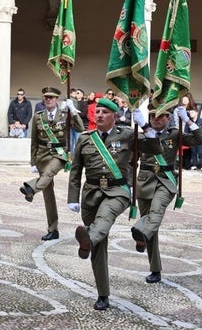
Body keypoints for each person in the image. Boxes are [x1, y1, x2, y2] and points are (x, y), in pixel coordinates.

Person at [67, 98, 161, 311]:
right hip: (90, 194)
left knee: (105, 219)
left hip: (117, 192)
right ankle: (103, 294)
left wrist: (145, 126)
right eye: (97, 111)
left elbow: (155, 149)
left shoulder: (127, 134)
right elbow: (75, 170)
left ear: (115, 116)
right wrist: (72, 198)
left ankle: (87, 237)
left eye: (104, 112)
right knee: (98, 246)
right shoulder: (85, 138)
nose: (99, 115)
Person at [131, 105, 202, 284]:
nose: (156, 119)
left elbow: (201, 139)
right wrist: (130, 185)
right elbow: (131, 161)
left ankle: (140, 231)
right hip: (145, 181)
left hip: (166, 181)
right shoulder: (141, 135)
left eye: (160, 116)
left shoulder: (174, 133)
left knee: (155, 213)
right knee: (152, 227)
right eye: (152, 117)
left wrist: (187, 120)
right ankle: (155, 268)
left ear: (168, 118)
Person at [19, 86, 84, 241]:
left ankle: (31, 188)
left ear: (57, 100)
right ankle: (53, 229)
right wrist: (33, 162)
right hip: (42, 155)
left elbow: (80, 128)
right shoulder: (38, 116)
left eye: (52, 97)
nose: (48, 100)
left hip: (59, 155)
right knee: (48, 195)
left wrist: (73, 110)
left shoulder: (65, 114)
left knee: (49, 173)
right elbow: (34, 140)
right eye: (46, 97)